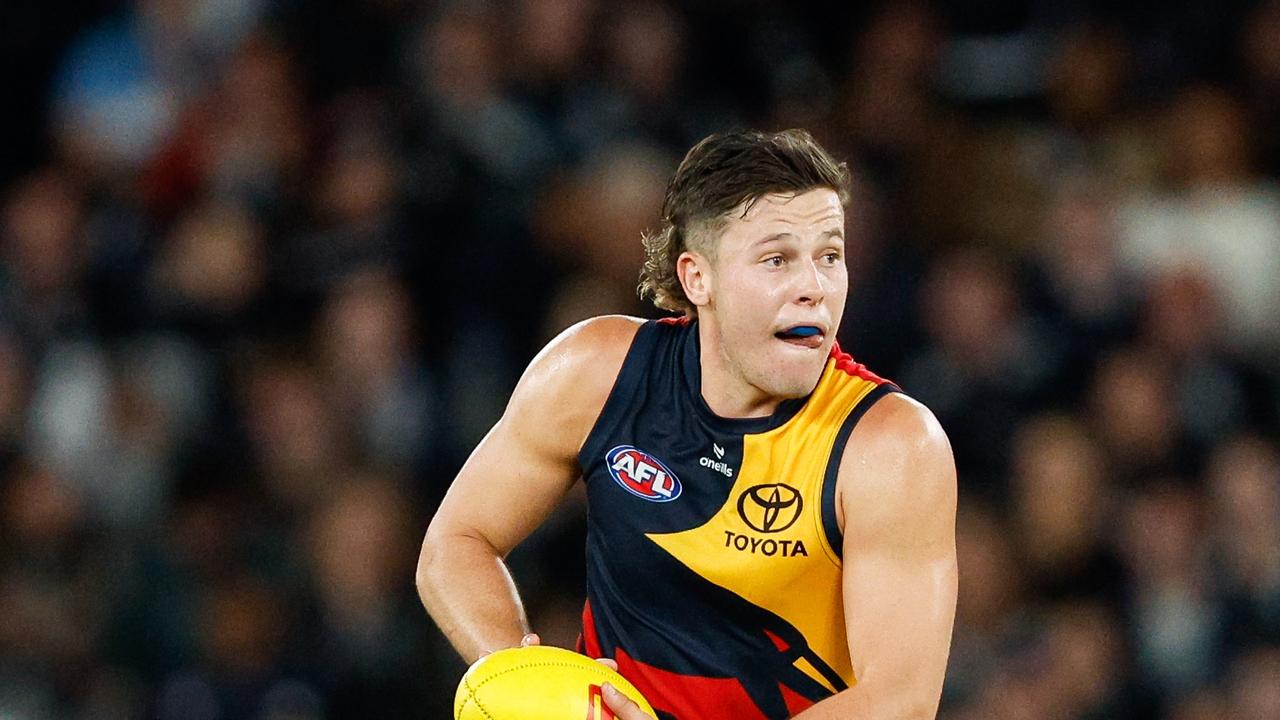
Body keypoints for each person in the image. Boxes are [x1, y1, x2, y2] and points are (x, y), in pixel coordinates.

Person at [417, 129, 957, 719]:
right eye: (777, 259)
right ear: (698, 278)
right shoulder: (597, 374)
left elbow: (899, 703)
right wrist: (534, 683)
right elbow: (457, 543)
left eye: (830, 255)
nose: (814, 288)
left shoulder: (888, 445)